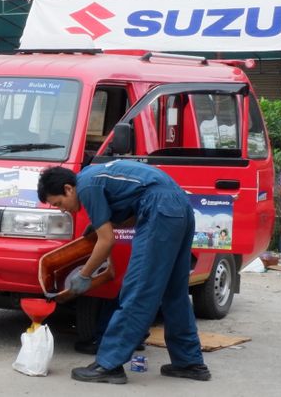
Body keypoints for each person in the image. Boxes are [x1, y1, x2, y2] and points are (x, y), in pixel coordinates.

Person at [38, 161, 209, 385]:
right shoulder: (95, 175)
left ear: (68, 189)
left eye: (59, 203)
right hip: (180, 206)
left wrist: (84, 276)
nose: (62, 209)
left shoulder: (86, 186)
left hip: (159, 208)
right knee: (174, 291)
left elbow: (107, 241)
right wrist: (108, 225)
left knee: (138, 289)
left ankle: (109, 365)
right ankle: (189, 362)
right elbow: (129, 213)